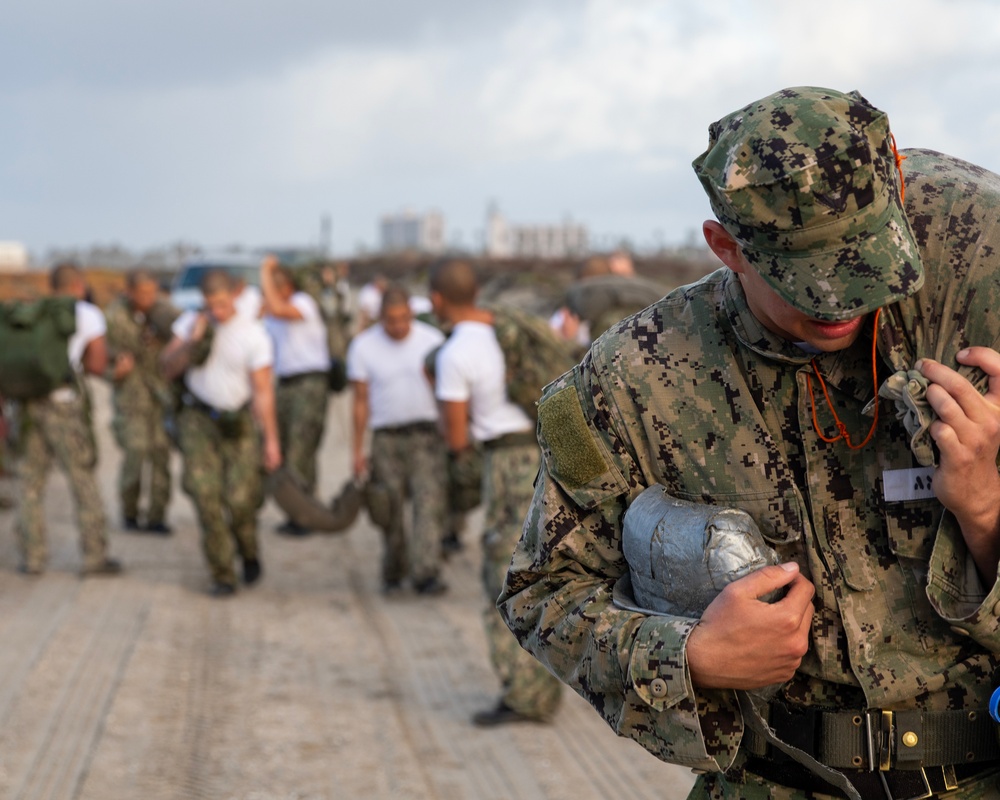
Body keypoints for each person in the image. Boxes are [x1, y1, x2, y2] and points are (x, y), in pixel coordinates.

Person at [499, 86, 1000, 799]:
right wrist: (689, 655)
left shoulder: (971, 299)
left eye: (861, 266)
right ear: (725, 245)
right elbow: (541, 593)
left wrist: (985, 515)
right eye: (803, 280)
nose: (841, 302)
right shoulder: (638, 379)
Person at [429, 260, 563, 726]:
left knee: (505, 580)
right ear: (477, 292)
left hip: (506, 464)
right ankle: (547, 680)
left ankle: (527, 694)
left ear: (435, 301)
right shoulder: (508, 329)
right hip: (549, 455)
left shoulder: (453, 353)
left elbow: (456, 438)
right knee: (545, 570)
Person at [160, 269, 281, 597]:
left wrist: (271, 440)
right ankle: (222, 573)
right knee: (205, 496)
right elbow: (167, 367)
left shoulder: (254, 334)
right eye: (211, 305)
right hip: (198, 421)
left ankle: (248, 550)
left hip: (238, 421)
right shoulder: (188, 324)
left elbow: (263, 390)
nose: (218, 312)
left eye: (223, 304)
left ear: (236, 295)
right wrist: (193, 341)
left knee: (241, 501)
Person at [15, 262, 121, 576]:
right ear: (79, 285)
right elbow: (98, 365)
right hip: (65, 406)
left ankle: (32, 556)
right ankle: (94, 556)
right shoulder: (87, 314)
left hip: (31, 405)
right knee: (82, 480)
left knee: (30, 483)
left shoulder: (33, 310)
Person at [347, 284, 448, 595]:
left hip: (427, 435)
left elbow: (448, 391)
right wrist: (357, 449)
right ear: (379, 318)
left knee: (428, 504)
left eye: (404, 318)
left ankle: (426, 572)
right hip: (386, 439)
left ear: (412, 314)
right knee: (389, 508)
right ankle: (393, 571)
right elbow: (360, 401)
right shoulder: (363, 346)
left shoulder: (433, 342)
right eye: (391, 319)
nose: (398, 325)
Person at [260, 254, 331, 536]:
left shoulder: (304, 303)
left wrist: (265, 272)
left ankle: (303, 516)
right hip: (286, 384)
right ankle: (302, 510)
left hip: (309, 383)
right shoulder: (273, 313)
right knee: (290, 449)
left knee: (301, 450)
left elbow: (277, 308)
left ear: (287, 287)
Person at [104, 268, 178, 534]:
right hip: (132, 399)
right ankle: (130, 512)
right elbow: (101, 361)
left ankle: (157, 516)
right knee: (135, 455)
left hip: (160, 398)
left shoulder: (165, 311)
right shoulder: (115, 317)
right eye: (142, 293)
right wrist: (115, 373)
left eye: (152, 292)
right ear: (129, 292)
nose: (148, 298)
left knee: (160, 457)